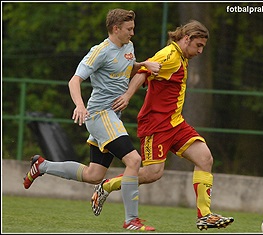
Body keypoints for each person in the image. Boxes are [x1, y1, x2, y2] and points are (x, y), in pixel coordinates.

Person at [22, 8, 161, 231]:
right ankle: (131, 220)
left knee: (94, 175)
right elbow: (74, 80)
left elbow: (125, 67)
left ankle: (42, 166)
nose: (132, 33)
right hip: (99, 114)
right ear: (116, 29)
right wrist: (79, 105)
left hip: (112, 116)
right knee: (134, 161)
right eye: (129, 29)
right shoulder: (99, 51)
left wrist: (143, 65)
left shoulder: (128, 47)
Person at [90, 19, 234, 231]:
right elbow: (142, 72)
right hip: (155, 125)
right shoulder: (169, 55)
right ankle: (107, 185)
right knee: (152, 174)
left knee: (205, 158)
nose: (201, 51)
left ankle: (204, 215)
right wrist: (128, 95)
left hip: (175, 122)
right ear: (187, 39)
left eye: (203, 46)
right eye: (198, 45)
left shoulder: (182, 56)